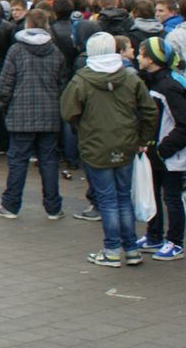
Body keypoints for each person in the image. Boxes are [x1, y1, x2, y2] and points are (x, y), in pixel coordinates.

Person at [60, 32, 157, 267]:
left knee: (107, 200)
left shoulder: (81, 80)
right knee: (124, 197)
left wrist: (82, 128)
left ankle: (112, 250)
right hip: (126, 143)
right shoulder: (130, 77)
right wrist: (143, 138)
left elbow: (68, 112)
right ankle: (131, 249)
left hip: (95, 144)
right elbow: (149, 110)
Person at [0, 9, 68, 220]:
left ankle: (10, 205)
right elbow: (62, 84)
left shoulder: (16, 51)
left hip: (20, 112)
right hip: (50, 113)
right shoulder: (56, 52)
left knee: (17, 160)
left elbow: (5, 84)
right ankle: (53, 207)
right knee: (49, 161)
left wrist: (6, 106)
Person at [134, 38, 186, 261]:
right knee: (153, 194)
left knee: (172, 198)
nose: (137, 56)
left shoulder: (169, 86)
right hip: (156, 152)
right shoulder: (152, 82)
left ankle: (175, 242)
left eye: (141, 53)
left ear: (152, 59)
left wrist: (164, 149)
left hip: (172, 154)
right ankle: (154, 235)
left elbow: (183, 123)